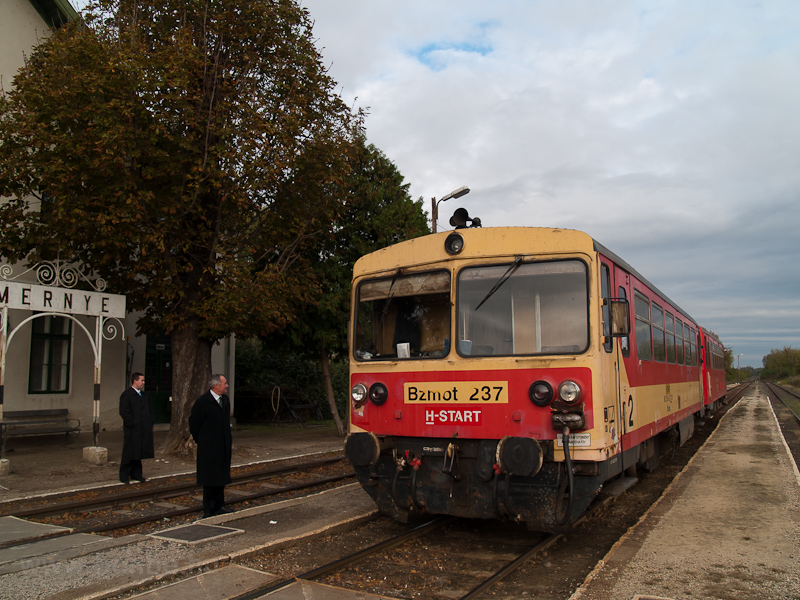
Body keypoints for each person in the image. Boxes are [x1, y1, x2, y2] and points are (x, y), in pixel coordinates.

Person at [188, 373, 233, 517]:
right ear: (216, 386)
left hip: (223, 445)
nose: (227, 386)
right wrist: (201, 439)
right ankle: (208, 507)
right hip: (208, 446)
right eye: (224, 383)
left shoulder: (225, 400)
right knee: (209, 477)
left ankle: (219, 504)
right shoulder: (203, 402)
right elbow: (194, 423)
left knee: (221, 476)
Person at [119, 372, 154, 484]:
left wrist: (149, 422)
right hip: (133, 429)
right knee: (129, 451)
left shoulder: (144, 395)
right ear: (135, 381)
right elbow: (124, 412)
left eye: (143, 381)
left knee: (138, 452)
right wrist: (132, 423)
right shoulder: (127, 395)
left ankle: (137, 474)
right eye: (141, 380)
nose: (143, 383)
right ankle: (124, 475)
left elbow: (149, 410)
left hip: (143, 429)